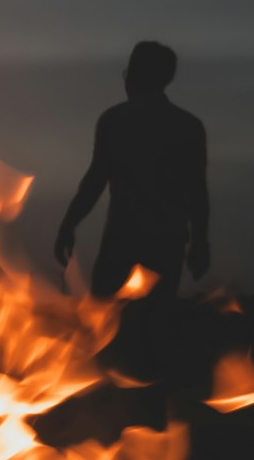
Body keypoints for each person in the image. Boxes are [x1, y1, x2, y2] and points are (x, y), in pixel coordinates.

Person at [54, 41, 210, 298]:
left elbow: (95, 181)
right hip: (167, 242)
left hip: (123, 240)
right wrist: (200, 242)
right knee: (154, 325)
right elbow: (197, 192)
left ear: (135, 76)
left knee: (104, 322)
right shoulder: (188, 126)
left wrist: (68, 226)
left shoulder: (115, 121)